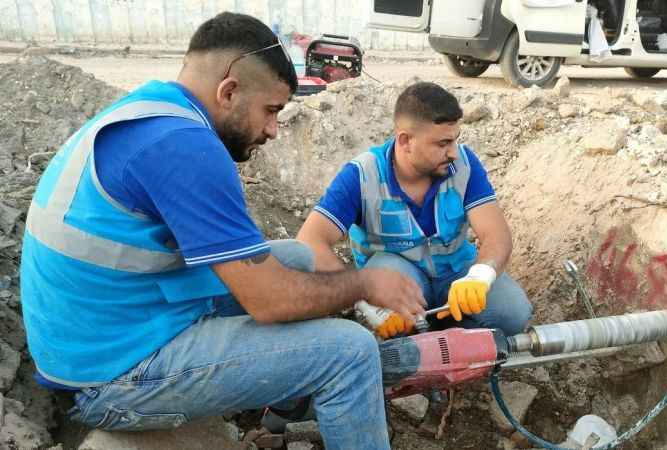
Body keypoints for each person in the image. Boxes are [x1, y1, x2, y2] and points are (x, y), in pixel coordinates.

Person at [19, 12, 426, 450]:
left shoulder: (150, 112)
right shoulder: (186, 148)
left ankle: (288, 403)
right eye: (270, 111)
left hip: (100, 329)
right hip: (110, 377)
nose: (272, 129)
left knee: (298, 258)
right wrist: (365, 282)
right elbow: (270, 302)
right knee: (350, 352)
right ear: (229, 91)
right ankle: (325, 382)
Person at [297, 82, 532, 339]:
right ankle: (411, 342)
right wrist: (361, 297)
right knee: (390, 319)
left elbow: (496, 234)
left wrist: (479, 276)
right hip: (393, 277)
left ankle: (446, 335)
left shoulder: (463, 165)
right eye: (442, 143)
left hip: (455, 270)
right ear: (405, 141)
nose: (453, 152)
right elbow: (310, 240)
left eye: (455, 140)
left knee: (513, 312)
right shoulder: (362, 175)